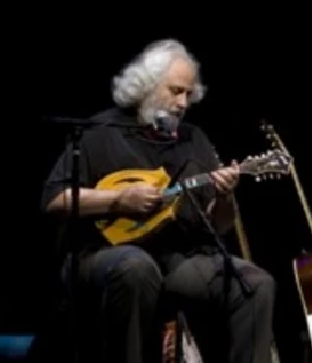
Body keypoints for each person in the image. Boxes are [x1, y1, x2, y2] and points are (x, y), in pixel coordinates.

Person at [39, 39, 277, 363]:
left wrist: (225, 195)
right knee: (136, 267)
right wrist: (118, 200)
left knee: (255, 283)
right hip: (101, 254)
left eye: (188, 95)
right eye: (175, 91)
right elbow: (54, 200)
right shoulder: (100, 131)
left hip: (177, 259)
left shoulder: (195, 139)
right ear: (147, 87)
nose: (182, 103)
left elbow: (219, 226)